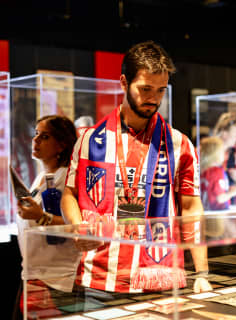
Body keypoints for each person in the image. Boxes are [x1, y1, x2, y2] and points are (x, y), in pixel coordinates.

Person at [61, 40, 212, 294]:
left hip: (159, 277)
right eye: (145, 89)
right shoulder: (90, 139)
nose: (153, 99)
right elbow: (70, 195)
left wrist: (202, 272)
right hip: (99, 275)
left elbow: (191, 209)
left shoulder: (180, 144)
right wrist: (77, 227)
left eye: (161, 90)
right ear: (123, 82)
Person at [14, 115, 81, 319]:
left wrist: (40, 216)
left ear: (61, 144)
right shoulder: (42, 177)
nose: (35, 141)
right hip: (35, 273)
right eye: (36, 134)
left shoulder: (65, 179)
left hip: (56, 279)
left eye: (44, 137)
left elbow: (75, 227)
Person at [200, 136, 236, 211]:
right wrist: (233, 192)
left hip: (207, 211)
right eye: (222, 151)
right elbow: (220, 198)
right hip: (218, 214)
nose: (225, 154)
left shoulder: (203, 171)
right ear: (215, 153)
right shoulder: (216, 171)